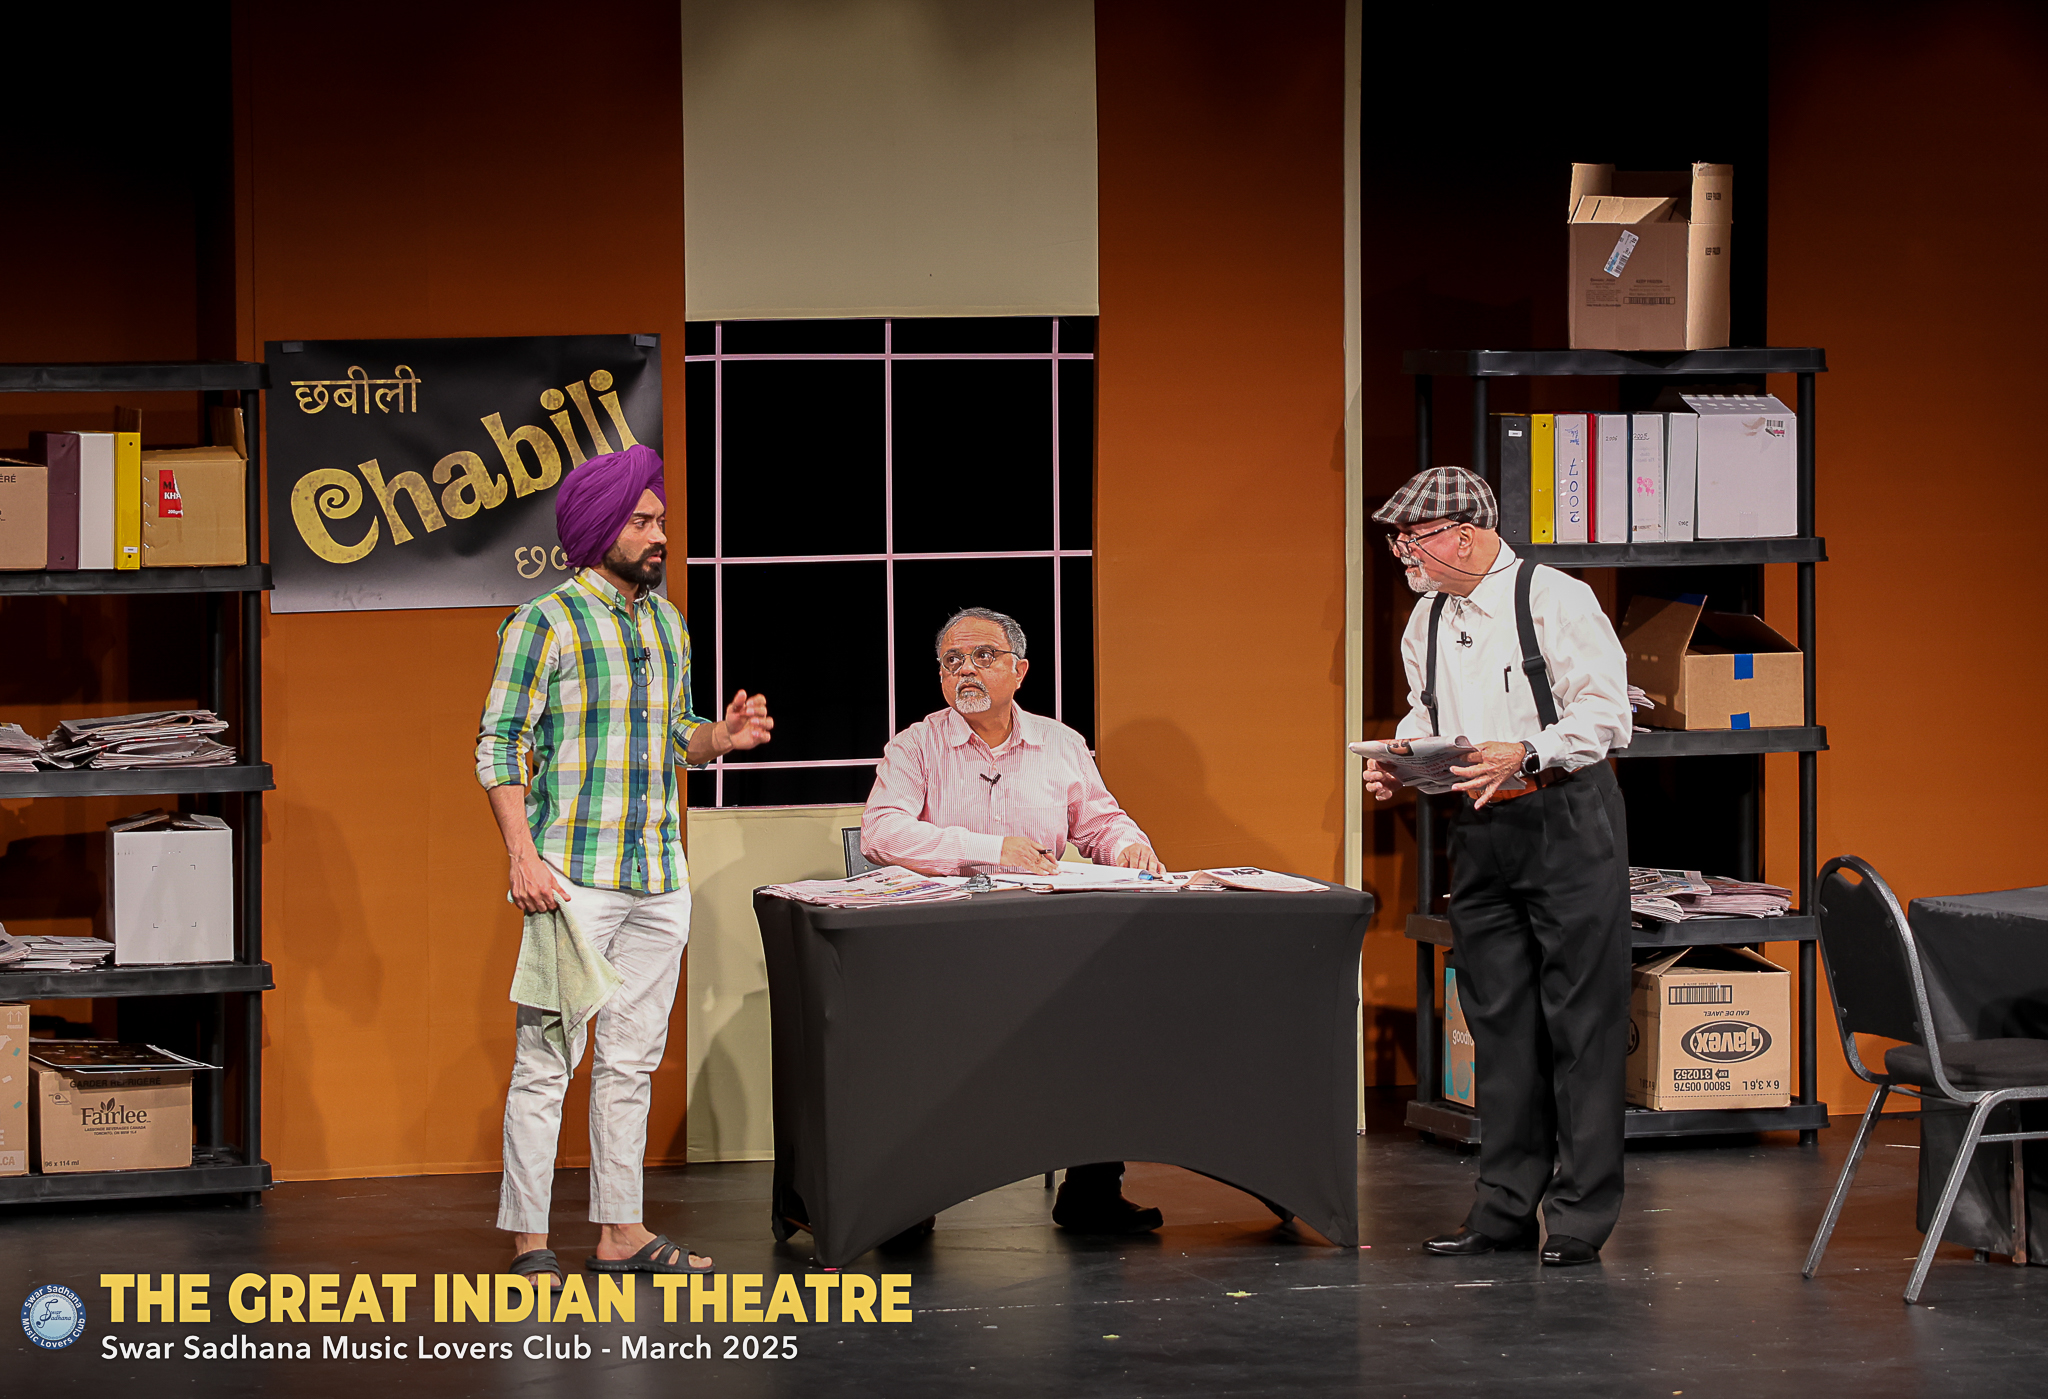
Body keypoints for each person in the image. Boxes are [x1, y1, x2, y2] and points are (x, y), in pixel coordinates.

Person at [476, 443, 773, 1283]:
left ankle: (620, 1231)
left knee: (631, 1061)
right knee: (547, 1063)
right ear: (601, 527)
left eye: (660, 520)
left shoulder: (667, 623)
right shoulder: (544, 622)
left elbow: (677, 733)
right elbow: (499, 744)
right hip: (572, 879)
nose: (658, 535)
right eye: (642, 521)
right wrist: (522, 857)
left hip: (658, 878)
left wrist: (720, 737)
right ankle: (529, 1240)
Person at [1363, 466, 1633, 1268]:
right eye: (1398, 541)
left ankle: (1580, 1216)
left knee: (1582, 1023)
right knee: (1500, 1024)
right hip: (1479, 828)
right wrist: (1403, 763)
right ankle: (1504, 1208)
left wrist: (1530, 750)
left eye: (1414, 539)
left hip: (1565, 814)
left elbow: (1607, 714)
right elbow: (1429, 713)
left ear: (1466, 534)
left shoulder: (1554, 599)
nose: (1404, 554)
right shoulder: (1427, 618)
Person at [861, 606, 1167, 1234]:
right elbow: (882, 833)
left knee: (1107, 1015)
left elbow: (1101, 822)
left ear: (1020, 671)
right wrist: (992, 849)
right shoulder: (916, 745)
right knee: (916, 1041)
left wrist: (1129, 847)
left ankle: (1091, 1194)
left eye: (983, 656)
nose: (966, 670)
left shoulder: (1061, 743)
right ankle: (908, 1201)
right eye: (952, 661)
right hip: (945, 945)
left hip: (1045, 939)